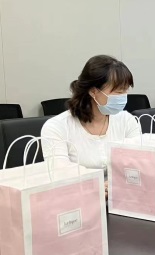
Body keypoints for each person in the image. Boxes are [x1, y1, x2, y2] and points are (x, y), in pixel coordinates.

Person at [41, 55, 142, 195]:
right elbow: (60, 172)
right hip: (78, 198)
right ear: (94, 91)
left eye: (126, 90)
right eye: (119, 91)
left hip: (122, 196)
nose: (123, 96)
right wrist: (97, 186)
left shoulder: (126, 120)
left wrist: (116, 186)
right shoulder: (57, 127)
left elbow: (138, 162)